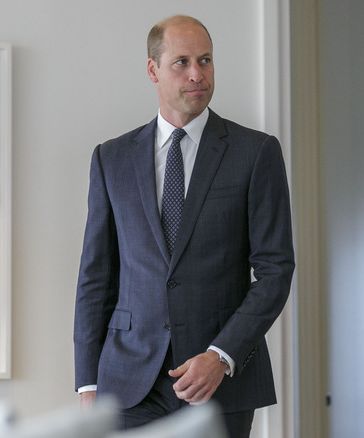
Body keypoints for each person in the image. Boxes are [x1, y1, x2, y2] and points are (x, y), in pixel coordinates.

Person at [73, 15, 294, 438]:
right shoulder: (111, 158)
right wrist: (88, 382)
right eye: (182, 62)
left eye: (206, 60)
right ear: (153, 69)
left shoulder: (256, 152)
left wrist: (221, 355)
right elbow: (95, 278)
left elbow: (275, 271)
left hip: (219, 382)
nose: (198, 74)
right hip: (128, 385)